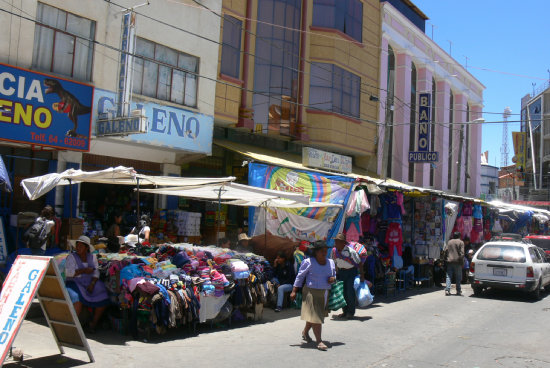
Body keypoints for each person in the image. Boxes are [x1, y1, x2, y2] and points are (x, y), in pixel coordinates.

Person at [290, 241, 336, 351]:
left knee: (315, 316)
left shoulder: (331, 262)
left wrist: (333, 279)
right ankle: (319, 341)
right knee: (316, 317)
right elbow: (300, 277)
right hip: (311, 292)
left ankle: (305, 332)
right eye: (321, 251)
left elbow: (334, 277)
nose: (324, 253)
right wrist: (294, 291)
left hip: (325, 292)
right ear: (315, 252)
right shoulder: (308, 262)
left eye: (325, 251)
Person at [65, 236, 110, 332]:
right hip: (74, 282)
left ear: (86, 248)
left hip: (90, 281)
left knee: (103, 294)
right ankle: (73, 326)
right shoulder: (71, 257)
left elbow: (96, 272)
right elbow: (69, 273)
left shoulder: (92, 257)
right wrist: (84, 270)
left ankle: (93, 323)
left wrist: (93, 283)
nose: (78, 248)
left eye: (81, 246)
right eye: (77, 245)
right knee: (77, 298)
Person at [331, 233, 364, 319]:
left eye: (337, 241)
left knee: (349, 292)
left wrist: (362, 276)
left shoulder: (350, 251)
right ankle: (344, 311)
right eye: (335, 241)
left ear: (343, 243)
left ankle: (350, 312)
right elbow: (333, 263)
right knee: (342, 293)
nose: (336, 243)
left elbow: (359, 263)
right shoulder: (334, 251)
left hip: (351, 272)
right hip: (341, 273)